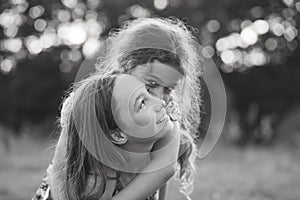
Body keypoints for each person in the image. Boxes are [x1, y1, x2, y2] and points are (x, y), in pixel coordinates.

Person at [32, 17, 202, 200]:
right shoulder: (89, 103)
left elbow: (163, 169)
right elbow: (60, 169)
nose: (160, 97)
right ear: (126, 66)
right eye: (151, 84)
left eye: (168, 89)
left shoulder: (165, 112)